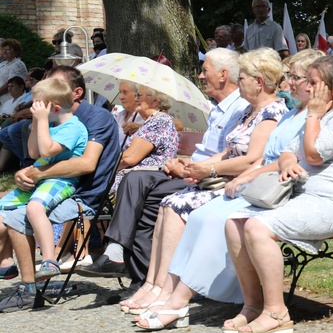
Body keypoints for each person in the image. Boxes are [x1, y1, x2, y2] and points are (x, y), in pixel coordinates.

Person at [135, 56, 333, 333]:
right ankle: (253, 306)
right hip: (302, 198)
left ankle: (277, 312)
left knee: (257, 227)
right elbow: (288, 153)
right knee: (235, 222)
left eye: (313, 82)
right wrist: (287, 161)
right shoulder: (315, 113)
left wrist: (314, 117)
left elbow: (314, 154)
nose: (307, 87)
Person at [117, 48, 289, 314]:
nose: (238, 81)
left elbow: (252, 159)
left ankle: (169, 290)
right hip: (223, 179)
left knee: (175, 205)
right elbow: (229, 150)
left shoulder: (271, 113)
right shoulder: (250, 113)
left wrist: (206, 169)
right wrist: (198, 166)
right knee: (167, 203)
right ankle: (155, 284)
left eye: (242, 77)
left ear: (260, 81)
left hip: (241, 185)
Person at [75, 49, 248, 288]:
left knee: (138, 184)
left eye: (135, 95)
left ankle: (139, 273)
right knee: (138, 186)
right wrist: (183, 162)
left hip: (210, 178)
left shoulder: (238, 109)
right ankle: (135, 270)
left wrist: (194, 166)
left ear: (223, 74)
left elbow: (130, 158)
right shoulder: (217, 109)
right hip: (185, 172)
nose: (131, 99)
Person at [0, 66, 119, 312]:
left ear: (74, 93)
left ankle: (31, 284)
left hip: (81, 194)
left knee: (18, 215)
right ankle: (15, 272)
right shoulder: (52, 122)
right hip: (49, 185)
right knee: (5, 212)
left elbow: (86, 164)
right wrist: (27, 173)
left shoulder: (94, 117)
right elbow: (37, 156)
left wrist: (35, 172)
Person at [0, 79, 88, 278]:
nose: (34, 108)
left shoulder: (72, 128)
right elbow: (32, 152)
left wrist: (40, 122)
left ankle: (49, 259)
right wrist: (36, 122)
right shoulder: (49, 123)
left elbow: (48, 150)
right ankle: (6, 262)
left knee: (34, 208)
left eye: (38, 105)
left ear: (55, 108)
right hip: (39, 180)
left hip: (60, 181)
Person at [108, 85, 180, 195]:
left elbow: (128, 158)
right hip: (136, 180)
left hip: (141, 182)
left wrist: (104, 166)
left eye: (139, 95)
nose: (136, 99)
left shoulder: (159, 120)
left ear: (155, 101)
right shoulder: (152, 121)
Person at [112, 81, 146, 146]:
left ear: (137, 94)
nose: (120, 97)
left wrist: (141, 129)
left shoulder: (146, 117)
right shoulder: (118, 115)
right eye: (120, 92)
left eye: (125, 92)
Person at [0, 39, 27, 106]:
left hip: (11, 99)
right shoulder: (3, 64)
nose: (5, 51)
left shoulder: (18, 64)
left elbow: (11, 83)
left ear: (16, 52)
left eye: (8, 49)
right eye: (3, 49)